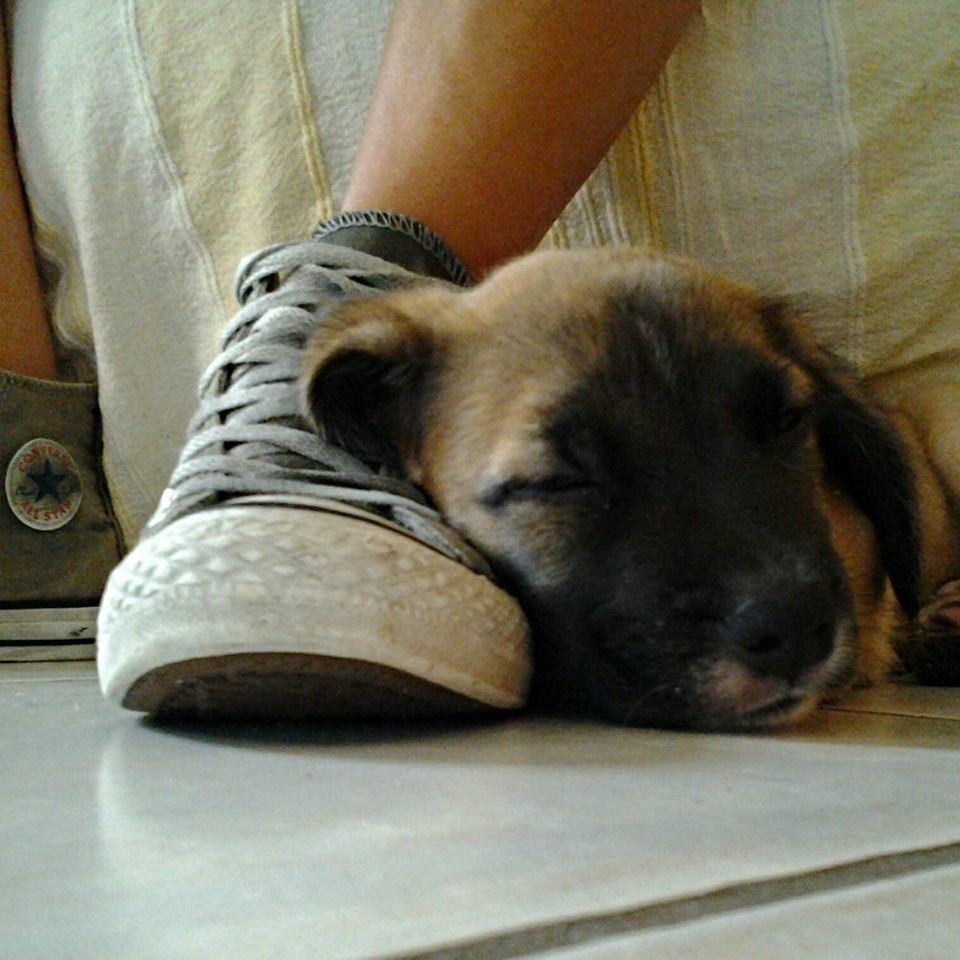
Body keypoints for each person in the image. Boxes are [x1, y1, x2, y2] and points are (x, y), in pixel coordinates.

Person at [3, 1, 958, 716]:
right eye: (564, 482)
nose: (771, 595)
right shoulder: (422, 391)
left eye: (784, 424)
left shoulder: (857, 434)